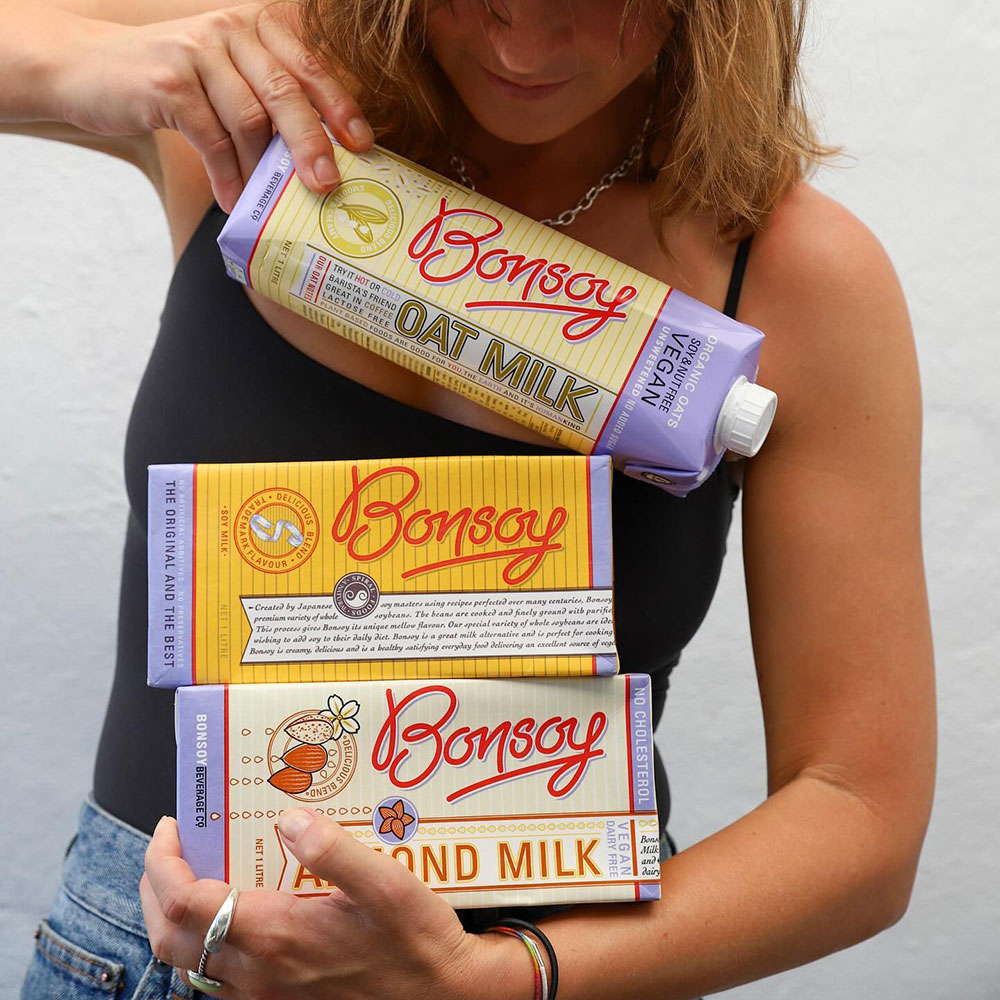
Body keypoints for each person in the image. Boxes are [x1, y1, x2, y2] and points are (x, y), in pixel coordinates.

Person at [4, 1, 936, 998]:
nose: (521, 47)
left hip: (560, 965)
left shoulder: (792, 274)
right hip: (143, 955)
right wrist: (90, 66)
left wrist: (491, 978)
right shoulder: (261, 112)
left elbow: (858, 812)